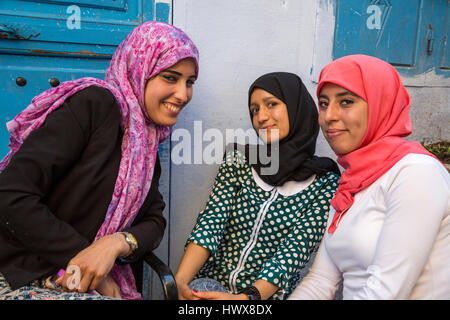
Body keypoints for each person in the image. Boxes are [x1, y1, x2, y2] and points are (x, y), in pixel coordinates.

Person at [0, 21, 199, 300]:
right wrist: (83, 260)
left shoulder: (144, 142)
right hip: (21, 272)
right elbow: (10, 194)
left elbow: (154, 221)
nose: (183, 94)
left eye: (189, 82)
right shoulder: (95, 105)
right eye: (170, 77)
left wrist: (115, 244)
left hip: (77, 281)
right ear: (138, 69)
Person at [288, 54, 450, 300]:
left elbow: (386, 292)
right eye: (323, 103)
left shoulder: (416, 173)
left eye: (346, 102)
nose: (328, 116)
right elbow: (320, 282)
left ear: (380, 103)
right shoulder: (352, 183)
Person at [175, 72, 341, 300]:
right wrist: (179, 283)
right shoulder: (239, 160)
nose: (261, 117)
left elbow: (292, 255)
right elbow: (210, 223)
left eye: (271, 104)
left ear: (296, 108)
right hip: (211, 287)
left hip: (263, 298)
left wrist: (244, 300)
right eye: (254, 110)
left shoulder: (325, 184)